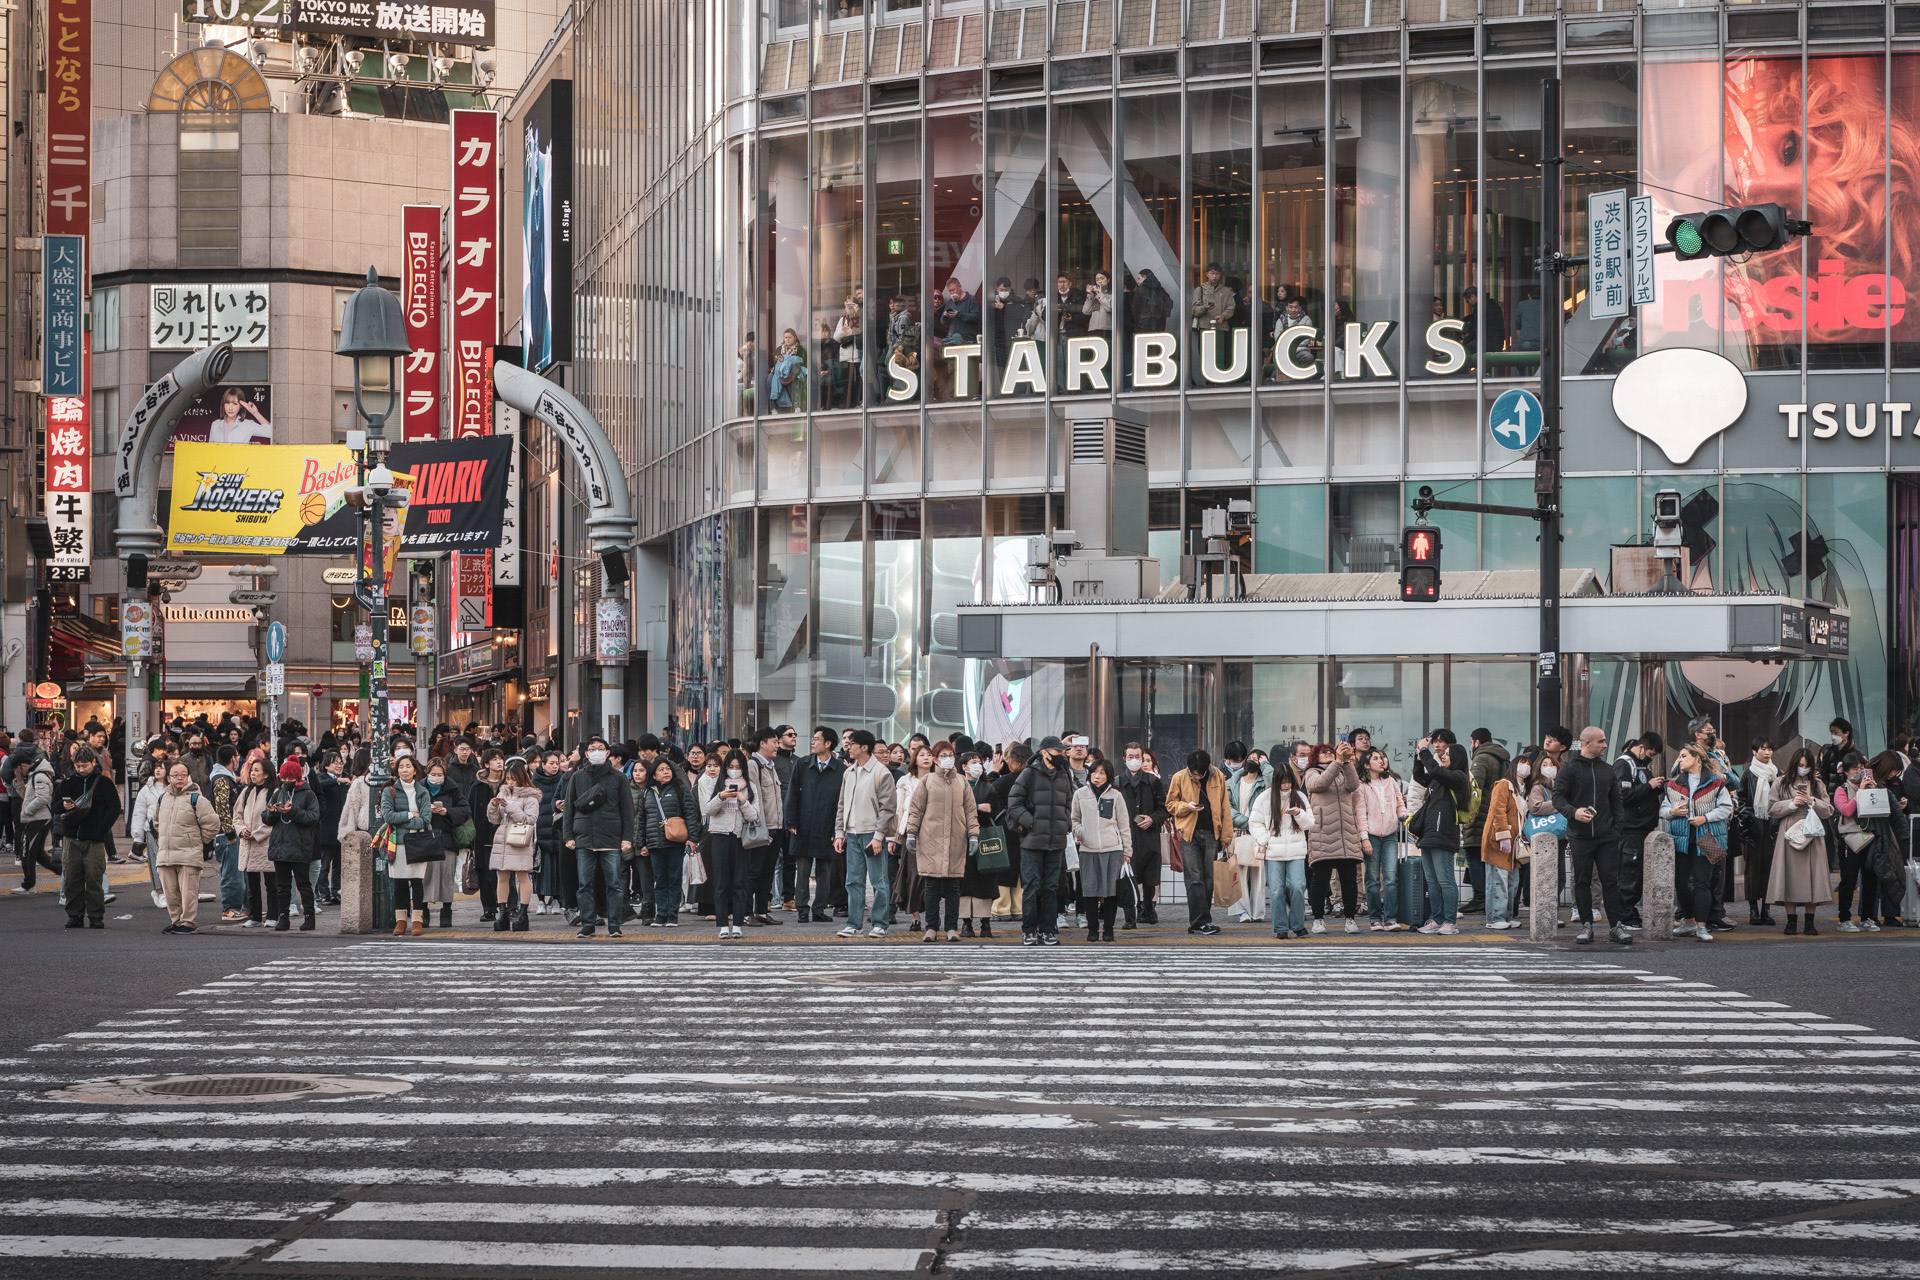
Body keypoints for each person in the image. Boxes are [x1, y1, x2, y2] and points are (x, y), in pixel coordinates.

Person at [1553, 726, 1632, 946]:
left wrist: (1617, 828)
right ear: (1587, 743)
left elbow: (1616, 800)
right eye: (1601, 741)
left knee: (1611, 881)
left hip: (1607, 836)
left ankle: (1616, 927)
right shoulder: (1569, 769)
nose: (1605, 745)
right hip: (1580, 836)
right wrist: (1574, 812)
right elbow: (1558, 798)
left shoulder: (1608, 769)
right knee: (1582, 881)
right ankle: (1586, 926)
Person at [906, 740, 979, 943]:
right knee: (931, 887)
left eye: (950, 755)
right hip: (931, 840)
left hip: (956, 840)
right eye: (943, 756)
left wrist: (973, 835)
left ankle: (951, 928)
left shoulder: (962, 782)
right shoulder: (927, 781)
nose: (948, 759)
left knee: (953, 887)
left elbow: (970, 811)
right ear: (936, 759)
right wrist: (911, 832)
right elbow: (916, 809)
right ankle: (931, 927)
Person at [1008, 736, 1077, 947]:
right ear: (1045, 752)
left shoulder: (1064, 774)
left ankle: (1047, 930)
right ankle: (1029, 930)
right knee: (1031, 886)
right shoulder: (1029, 773)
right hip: (1032, 842)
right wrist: (1032, 823)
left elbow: (1068, 803)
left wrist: (1066, 823)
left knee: (1051, 888)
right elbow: (1014, 803)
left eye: (1062, 752)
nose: (1061, 755)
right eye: (1057, 752)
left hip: (1056, 841)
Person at [563, 737, 635, 939]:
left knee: (614, 885)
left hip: (611, 838)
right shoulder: (577, 777)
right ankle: (588, 924)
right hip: (584, 837)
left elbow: (627, 810)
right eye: (592, 749)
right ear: (586, 754)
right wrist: (568, 836)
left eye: (600, 748)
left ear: (608, 752)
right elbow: (568, 808)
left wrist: (627, 837)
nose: (596, 752)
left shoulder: (618, 778)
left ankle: (614, 925)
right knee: (585, 885)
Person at [1663, 744, 1732, 942]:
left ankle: (1702, 926)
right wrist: (1671, 812)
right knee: (1680, 882)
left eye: (1684, 756)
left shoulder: (1716, 782)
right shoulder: (1673, 783)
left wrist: (1705, 818)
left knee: (1703, 882)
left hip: (1707, 836)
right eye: (1680, 756)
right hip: (1681, 838)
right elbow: (1663, 809)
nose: (1680, 760)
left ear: (1697, 758)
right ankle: (1689, 921)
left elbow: (1726, 808)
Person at [833, 731, 897, 938]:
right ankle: (854, 924)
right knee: (853, 881)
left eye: (852, 744)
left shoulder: (881, 772)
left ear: (864, 748)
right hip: (851, 834)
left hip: (871, 834)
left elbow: (888, 808)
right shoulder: (849, 772)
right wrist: (839, 833)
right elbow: (841, 805)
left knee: (879, 881)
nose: (848, 747)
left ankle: (880, 923)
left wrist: (879, 836)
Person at [1766, 746, 1833, 935]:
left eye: (1806, 765)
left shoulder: (1818, 784)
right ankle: (1791, 921)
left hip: (1812, 831)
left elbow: (1829, 810)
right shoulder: (1780, 782)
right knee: (1789, 876)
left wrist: (1812, 801)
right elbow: (1771, 809)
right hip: (1789, 830)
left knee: (1814, 876)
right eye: (1800, 765)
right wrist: (1791, 803)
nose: (1803, 769)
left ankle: (1810, 922)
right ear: (1793, 764)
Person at [1165, 748, 1232, 937]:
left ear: (1206, 768)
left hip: (1212, 833)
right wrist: (1186, 806)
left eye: (1200, 774)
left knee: (1208, 880)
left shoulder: (1218, 776)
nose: (1197, 777)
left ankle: (1202, 921)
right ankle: (1200, 922)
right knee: (1194, 878)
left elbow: (1225, 807)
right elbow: (1170, 804)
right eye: (1193, 774)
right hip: (1189, 833)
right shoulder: (1179, 777)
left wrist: (1227, 837)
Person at [149, 761, 221, 934]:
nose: (179, 778)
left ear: (188, 777)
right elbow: (156, 823)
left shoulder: (197, 799)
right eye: (175, 775)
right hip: (166, 855)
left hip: (189, 855)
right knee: (170, 893)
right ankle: (176, 921)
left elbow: (213, 824)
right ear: (169, 778)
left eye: (183, 775)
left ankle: (188, 922)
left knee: (188, 892)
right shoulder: (163, 798)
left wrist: (198, 841)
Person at [56, 745, 122, 930]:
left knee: (94, 878)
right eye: (77, 766)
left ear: (93, 762)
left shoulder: (104, 783)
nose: (81, 769)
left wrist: (102, 828)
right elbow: (54, 806)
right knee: (72, 878)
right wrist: (63, 806)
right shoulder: (67, 783)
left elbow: (114, 808)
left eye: (84, 765)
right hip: (71, 838)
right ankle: (74, 915)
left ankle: (95, 916)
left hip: (95, 840)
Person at [784, 726, 845, 924]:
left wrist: (838, 830)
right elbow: (792, 794)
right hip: (803, 825)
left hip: (828, 826)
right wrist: (791, 820)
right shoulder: (803, 764)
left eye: (817, 739)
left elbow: (843, 802)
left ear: (828, 743)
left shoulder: (841, 769)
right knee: (802, 871)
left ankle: (819, 909)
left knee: (824, 871)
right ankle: (802, 909)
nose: (812, 742)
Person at [1410, 737, 1469, 935]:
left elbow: (1435, 770)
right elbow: (1420, 776)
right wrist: (1419, 757)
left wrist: (1425, 751)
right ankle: (1436, 919)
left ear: (1457, 759)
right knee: (1433, 881)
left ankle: (1450, 922)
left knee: (1445, 880)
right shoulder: (1439, 778)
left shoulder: (1458, 777)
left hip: (1444, 834)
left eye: (1447, 754)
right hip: (1428, 834)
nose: (1443, 756)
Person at [1069, 758, 1131, 943]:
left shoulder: (1116, 795)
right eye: (1094, 772)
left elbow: (1124, 825)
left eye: (1102, 773)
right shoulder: (1080, 794)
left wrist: (1127, 851)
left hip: (1113, 849)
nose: (1097, 776)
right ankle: (1093, 930)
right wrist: (1081, 832)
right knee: (1089, 890)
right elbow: (1074, 820)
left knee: (1111, 891)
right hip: (1088, 850)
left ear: (1108, 776)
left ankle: (1109, 930)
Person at [379, 754, 439, 937]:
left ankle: (417, 920)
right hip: (397, 842)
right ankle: (401, 920)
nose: (404, 770)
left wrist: (404, 820)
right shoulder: (389, 791)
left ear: (414, 770)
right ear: (397, 771)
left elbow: (426, 820)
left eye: (408, 766)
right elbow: (389, 817)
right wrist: (410, 815)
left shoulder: (422, 792)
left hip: (418, 841)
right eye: (401, 767)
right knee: (400, 881)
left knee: (417, 880)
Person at [1250, 770, 1313, 938]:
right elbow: (1254, 822)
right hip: (1273, 852)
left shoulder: (1299, 796)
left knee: (1298, 887)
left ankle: (1298, 925)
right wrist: (1264, 839)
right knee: (1276, 890)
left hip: (1296, 851)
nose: (1286, 785)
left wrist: (1299, 814)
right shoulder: (1264, 797)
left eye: (1289, 781)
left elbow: (1310, 823)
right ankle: (1280, 928)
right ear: (1276, 781)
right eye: (1283, 782)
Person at [1612, 731, 1665, 930]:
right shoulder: (1624, 764)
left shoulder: (1639, 764)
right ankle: (1624, 916)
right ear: (1641, 748)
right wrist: (1649, 786)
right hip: (1631, 829)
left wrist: (1656, 786)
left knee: (1635, 875)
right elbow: (1623, 795)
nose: (1651, 759)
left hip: (1642, 828)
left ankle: (1629, 913)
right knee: (1629, 874)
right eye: (1651, 754)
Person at [639, 756, 698, 928]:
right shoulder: (647, 793)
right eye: (661, 770)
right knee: (659, 880)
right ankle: (661, 915)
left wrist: (692, 838)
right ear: (654, 775)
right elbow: (641, 819)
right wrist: (641, 843)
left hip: (675, 842)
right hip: (654, 843)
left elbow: (690, 814)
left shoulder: (680, 789)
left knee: (674, 879)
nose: (665, 772)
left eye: (667, 769)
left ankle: (672, 915)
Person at [263, 757, 320, 932]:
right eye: (284, 778)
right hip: (280, 846)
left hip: (300, 845)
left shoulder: (309, 794)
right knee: (282, 886)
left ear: (298, 778)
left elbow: (313, 817)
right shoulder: (278, 793)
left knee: (304, 884)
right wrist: (272, 812)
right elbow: (266, 818)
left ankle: (309, 918)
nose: (286, 781)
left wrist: (292, 810)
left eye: (290, 778)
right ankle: (283, 918)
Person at [1116, 742, 1167, 928]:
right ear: (1124, 759)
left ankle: (1148, 908)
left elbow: (1164, 809)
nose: (1135, 760)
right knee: (1128, 875)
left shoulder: (1153, 781)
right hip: (1126, 836)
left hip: (1148, 835)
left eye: (1138, 756)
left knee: (1150, 875)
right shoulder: (1117, 783)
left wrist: (1153, 818)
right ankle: (1131, 915)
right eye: (1131, 757)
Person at [1355, 748, 1407, 930]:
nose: (1381, 760)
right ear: (1367, 765)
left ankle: (1391, 918)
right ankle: (1375, 918)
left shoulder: (1390, 781)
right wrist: (1364, 838)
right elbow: (1360, 814)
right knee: (1372, 879)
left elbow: (1400, 803)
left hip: (1390, 835)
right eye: (1376, 758)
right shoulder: (1361, 786)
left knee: (1391, 878)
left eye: (1382, 757)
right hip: (1371, 836)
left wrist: (1403, 815)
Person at [1463, 729, 1510, 915]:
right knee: (1488, 857)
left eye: (1471, 742)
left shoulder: (1481, 758)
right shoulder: (1501, 757)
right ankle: (1490, 898)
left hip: (1480, 815)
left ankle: (1480, 897)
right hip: (1496, 814)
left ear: (1476, 742)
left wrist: (1467, 816)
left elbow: (1474, 789)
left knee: (1472, 851)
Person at [1479, 752, 1527, 930]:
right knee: (1498, 881)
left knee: (1512, 882)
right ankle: (1495, 918)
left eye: (1528, 764)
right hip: (1499, 841)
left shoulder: (1522, 789)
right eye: (1522, 762)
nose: (1526, 767)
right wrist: (1503, 835)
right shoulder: (1504, 785)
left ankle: (1507, 916)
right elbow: (1497, 811)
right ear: (1513, 766)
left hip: (1514, 843)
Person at [1733, 737, 1778, 927]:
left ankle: (1766, 909)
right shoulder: (1747, 774)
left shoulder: (1776, 773)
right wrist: (1751, 818)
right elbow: (1740, 801)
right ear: (1754, 751)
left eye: (1770, 749)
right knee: (1752, 870)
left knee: (1769, 869)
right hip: (1752, 829)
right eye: (1763, 749)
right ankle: (1753, 910)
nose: (1767, 752)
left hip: (1771, 828)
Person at [1225, 748, 1272, 924]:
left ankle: (1257, 912)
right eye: (1250, 757)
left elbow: (1272, 784)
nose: (1253, 760)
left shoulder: (1264, 782)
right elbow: (1227, 807)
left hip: (1258, 835)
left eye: (1257, 759)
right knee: (1238, 874)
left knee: (1258, 875)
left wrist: (1266, 765)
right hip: (1239, 832)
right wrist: (1248, 822)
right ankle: (1242, 911)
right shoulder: (1232, 782)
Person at [744, 727, 784, 927]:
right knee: (754, 872)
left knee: (767, 872)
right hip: (762, 829)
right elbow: (754, 798)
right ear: (762, 743)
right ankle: (746, 912)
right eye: (774, 742)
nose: (777, 745)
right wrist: (761, 826)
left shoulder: (770, 766)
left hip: (776, 827)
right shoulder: (753, 765)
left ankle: (761, 911)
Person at [9, 740, 58, 896]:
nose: (17, 772)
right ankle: (66, 873)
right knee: (38, 854)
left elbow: (42, 798)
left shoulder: (39, 776)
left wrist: (27, 810)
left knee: (28, 853)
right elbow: (27, 796)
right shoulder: (34, 775)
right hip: (36, 818)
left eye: (17, 769)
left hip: (39, 818)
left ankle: (29, 884)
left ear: (22, 765)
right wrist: (18, 781)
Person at [233, 757, 275, 927]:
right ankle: (255, 916)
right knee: (252, 883)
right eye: (252, 770)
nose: (253, 773)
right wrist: (241, 829)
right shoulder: (246, 792)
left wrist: (257, 834)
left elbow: (274, 820)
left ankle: (272, 916)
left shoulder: (274, 793)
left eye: (257, 770)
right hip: (248, 844)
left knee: (271, 883)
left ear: (266, 774)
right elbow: (237, 815)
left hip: (266, 843)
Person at [470, 751, 507, 924]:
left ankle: (509, 906)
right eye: (494, 759)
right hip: (482, 834)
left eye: (500, 759)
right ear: (486, 764)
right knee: (484, 872)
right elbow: (470, 810)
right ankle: (489, 908)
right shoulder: (477, 785)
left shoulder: (508, 782)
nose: (499, 762)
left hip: (505, 832)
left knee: (506, 872)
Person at [531, 750, 570, 914]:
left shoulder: (563, 779)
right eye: (551, 763)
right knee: (540, 868)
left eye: (557, 763)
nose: (555, 766)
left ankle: (556, 900)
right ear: (543, 764)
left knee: (558, 869)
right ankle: (541, 901)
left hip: (558, 829)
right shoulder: (533, 782)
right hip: (540, 831)